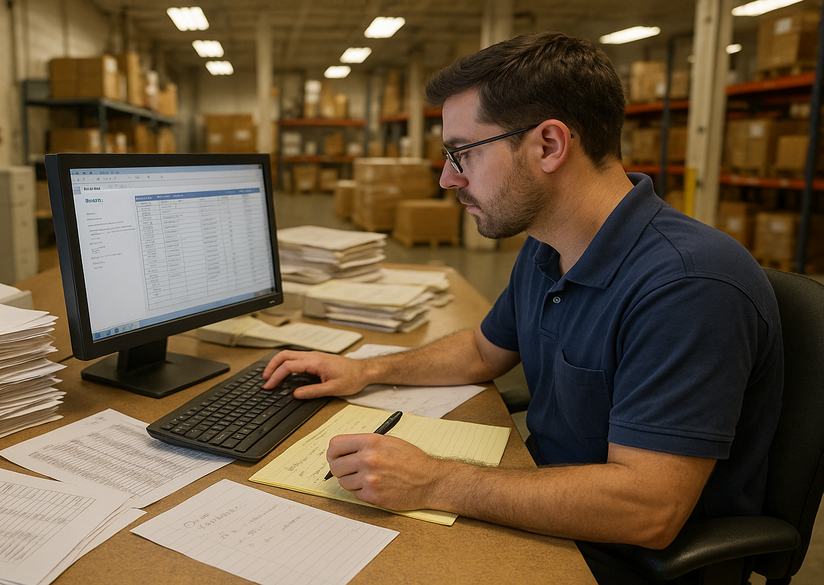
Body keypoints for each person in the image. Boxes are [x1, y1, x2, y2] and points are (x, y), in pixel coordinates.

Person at [262, 32, 783, 583]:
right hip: (539, 501)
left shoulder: (687, 285)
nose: (447, 178)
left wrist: (436, 480)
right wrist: (366, 370)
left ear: (549, 145)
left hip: (618, 557)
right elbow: (482, 350)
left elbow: (648, 510)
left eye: (463, 152)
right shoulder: (548, 245)